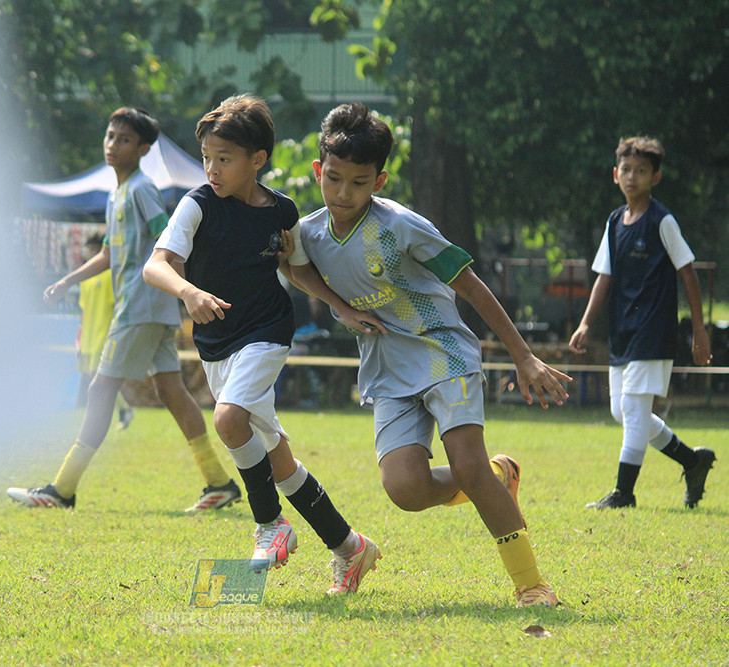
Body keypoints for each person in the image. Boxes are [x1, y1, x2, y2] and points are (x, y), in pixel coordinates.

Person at [288, 103, 570, 607]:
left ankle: (532, 584)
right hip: (386, 365)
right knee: (405, 490)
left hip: (443, 351)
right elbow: (295, 268)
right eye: (334, 179)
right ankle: (500, 476)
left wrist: (523, 357)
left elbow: (472, 286)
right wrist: (338, 308)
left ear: (379, 180)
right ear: (318, 171)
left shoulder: (401, 227)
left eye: (358, 182)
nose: (344, 193)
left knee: (467, 466)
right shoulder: (308, 231)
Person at [143, 94, 384, 594]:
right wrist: (188, 291)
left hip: (267, 332)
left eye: (223, 159)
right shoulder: (197, 204)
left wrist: (341, 306)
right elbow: (156, 264)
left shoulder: (281, 210)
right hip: (216, 344)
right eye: (207, 157)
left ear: (257, 160)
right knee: (277, 459)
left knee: (228, 419)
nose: (211, 168)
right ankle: (350, 547)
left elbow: (296, 270)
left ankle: (270, 527)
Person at [7, 107, 240, 512]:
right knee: (172, 390)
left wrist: (184, 290)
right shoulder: (118, 192)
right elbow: (111, 253)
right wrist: (68, 280)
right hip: (146, 309)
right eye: (111, 136)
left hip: (140, 307)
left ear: (144, 148)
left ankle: (61, 489)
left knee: (100, 389)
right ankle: (219, 483)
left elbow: (166, 242)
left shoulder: (142, 190)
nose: (113, 145)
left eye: (125, 139)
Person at [569, 136, 716, 510]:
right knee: (622, 412)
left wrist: (699, 330)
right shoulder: (615, 221)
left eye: (642, 171)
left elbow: (688, 272)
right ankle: (691, 460)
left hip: (654, 330)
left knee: (633, 411)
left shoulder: (662, 221)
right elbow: (604, 276)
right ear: (616, 175)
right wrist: (586, 323)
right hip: (624, 330)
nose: (633, 177)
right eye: (627, 170)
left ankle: (624, 493)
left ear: (656, 177)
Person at [74, 234, 134, 430]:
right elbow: (83, 309)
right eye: (88, 251)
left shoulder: (110, 275)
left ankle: (97, 419)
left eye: (93, 250)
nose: (90, 254)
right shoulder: (85, 279)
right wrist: (79, 336)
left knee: (98, 375)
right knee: (94, 377)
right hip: (89, 335)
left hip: (104, 333)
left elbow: (117, 305)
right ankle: (124, 409)